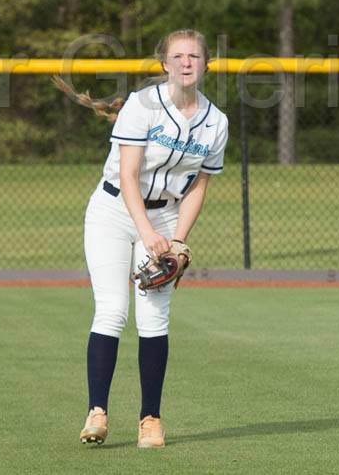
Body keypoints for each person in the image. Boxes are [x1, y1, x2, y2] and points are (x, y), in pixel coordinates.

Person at [60, 29, 228, 449]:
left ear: (207, 64)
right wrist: (149, 233)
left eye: (194, 56)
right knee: (113, 311)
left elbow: (199, 187)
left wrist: (177, 240)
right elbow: (129, 176)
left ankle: (150, 420)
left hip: (168, 215)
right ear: (164, 64)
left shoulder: (216, 122)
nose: (186, 62)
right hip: (115, 211)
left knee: (154, 318)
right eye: (178, 56)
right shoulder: (142, 105)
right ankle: (96, 412)